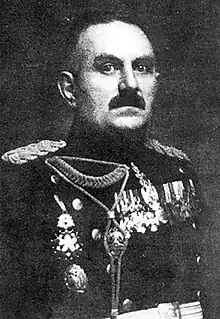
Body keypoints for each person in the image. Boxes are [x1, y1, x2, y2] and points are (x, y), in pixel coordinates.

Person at [1, 8, 207, 319]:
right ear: (70, 90)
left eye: (143, 68)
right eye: (108, 67)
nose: (129, 84)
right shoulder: (25, 185)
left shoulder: (177, 170)